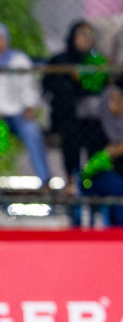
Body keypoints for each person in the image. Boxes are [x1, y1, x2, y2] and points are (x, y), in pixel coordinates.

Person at [0, 21, 51, 191]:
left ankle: (45, 179)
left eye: (1, 38)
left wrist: (29, 106)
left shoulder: (19, 60)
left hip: (18, 112)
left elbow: (29, 87)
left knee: (32, 131)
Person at [44, 21, 110, 193]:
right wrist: (71, 80)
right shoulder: (61, 60)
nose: (86, 39)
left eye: (90, 36)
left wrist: (90, 77)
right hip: (68, 115)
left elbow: (101, 88)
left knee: (97, 133)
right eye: (82, 35)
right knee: (71, 133)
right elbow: (50, 87)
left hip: (93, 117)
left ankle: (92, 180)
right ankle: (71, 179)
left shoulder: (98, 61)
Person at [80, 85, 123, 225]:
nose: (118, 103)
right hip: (97, 176)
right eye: (113, 100)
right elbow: (92, 162)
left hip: (118, 170)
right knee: (117, 185)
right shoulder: (96, 126)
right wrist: (110, 152)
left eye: (120, 99)